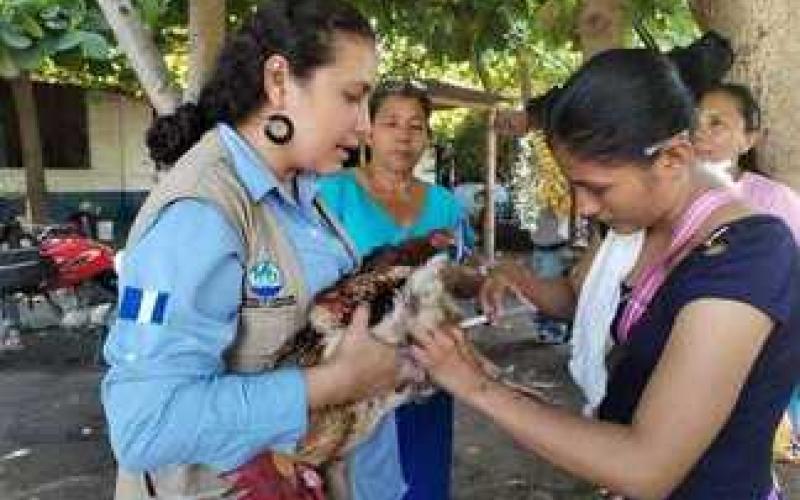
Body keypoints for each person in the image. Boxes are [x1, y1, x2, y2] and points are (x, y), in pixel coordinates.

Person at [412, 49, 800, 499]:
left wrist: (476, 386)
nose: (586, 207)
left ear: (673, 158)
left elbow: (645, 466)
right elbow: (579, 300)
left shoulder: (748, 260)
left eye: (596, 188)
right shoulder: (641, 228)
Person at [101, 2, 406, 498]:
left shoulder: (303, 197)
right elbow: (145, 425)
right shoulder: (198, 214)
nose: (366, 126)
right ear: (279, 80)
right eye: (352, 97)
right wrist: (336, 382)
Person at [317, 80, 472, 500]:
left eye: (416, 125)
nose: (404, 135)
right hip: (356, 371)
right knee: (355, 480)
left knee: (423, 481)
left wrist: (478, 277)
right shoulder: (329, 193)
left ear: (427, 136)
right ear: (368, 129)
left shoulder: (445, 204)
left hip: (428, 366)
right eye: (391, 123)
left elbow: (462, 269)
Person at [695, 82, 800, 463]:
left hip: (758, 361)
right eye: (694, 124)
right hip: (688, 355)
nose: (701, 134)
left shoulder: (776, 201)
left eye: (716, 123)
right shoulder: (673, 197)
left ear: (749, 139)